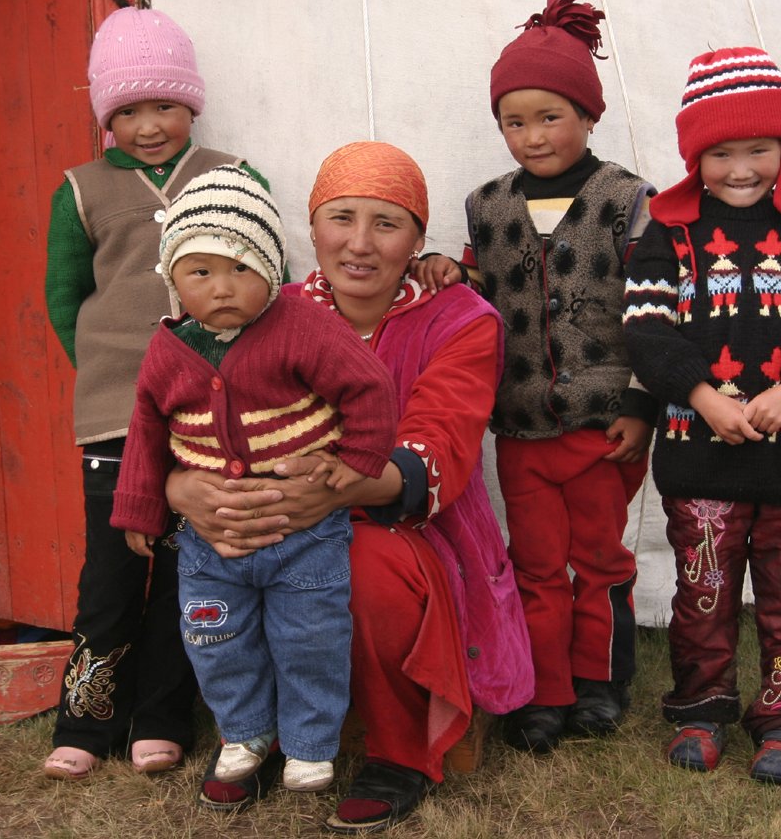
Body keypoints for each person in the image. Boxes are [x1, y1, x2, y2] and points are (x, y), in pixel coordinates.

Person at [165, 141, 533, 832]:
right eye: (341, 218)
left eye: (386, 224)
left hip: (413, 527)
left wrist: (335, 491)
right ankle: (255, 733)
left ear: (417, 239)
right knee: (226, 554)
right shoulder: (266, 307)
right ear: (311, 228)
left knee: (360, 567)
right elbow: (189, 407)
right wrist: (184, 489)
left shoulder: (460, 320)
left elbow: (439, 441)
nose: (359, 244)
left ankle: (400, 750)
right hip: (280, 511)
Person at [414, 0, 656, 753]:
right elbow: (483, 285)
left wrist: (643, 402)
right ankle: (543, 690)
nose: (532, 136)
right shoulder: (488, 205)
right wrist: (448, 271)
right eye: (513, 122)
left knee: (601, 560)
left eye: (549, 117)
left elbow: (656, 308)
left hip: (603, 424)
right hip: (520, 426)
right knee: (537, 565)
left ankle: (601, 683)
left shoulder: (626, 201)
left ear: (588, 114)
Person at [621, 46, 781, 785]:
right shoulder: (668, 236)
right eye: (720, 153)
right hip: (700, 458)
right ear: (694, 156)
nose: (740, 169)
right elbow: (646, 331)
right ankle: (702, 710)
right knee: (704, 593)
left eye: (758, 149)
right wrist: (702, 397)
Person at [109, 166, 398, 794]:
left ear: (271, 266)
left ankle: (310, 744)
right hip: (211, 542)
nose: (221, 288)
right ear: (172, 277)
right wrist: (139, 508)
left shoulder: (303, 323)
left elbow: (369, 385)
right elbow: (147, 429)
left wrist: (357, 461)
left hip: (306, 537)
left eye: (241, 267)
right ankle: (243, 732)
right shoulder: (169, 349)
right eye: (199, 271)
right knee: (217, 637)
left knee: (310, 639)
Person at [41, 6, 270, 780]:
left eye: (165, 105)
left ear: (191, 104)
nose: (148, 127)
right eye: (129, 110)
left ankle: (163, 716)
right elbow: (64, 297)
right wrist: (110, 372)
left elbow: (265, 271)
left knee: (186, 570)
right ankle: (86, 718)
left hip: (209, 414)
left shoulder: (233, 176)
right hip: (114, 414)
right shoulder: (80, 191)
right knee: (109, 574)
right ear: (106, 116)